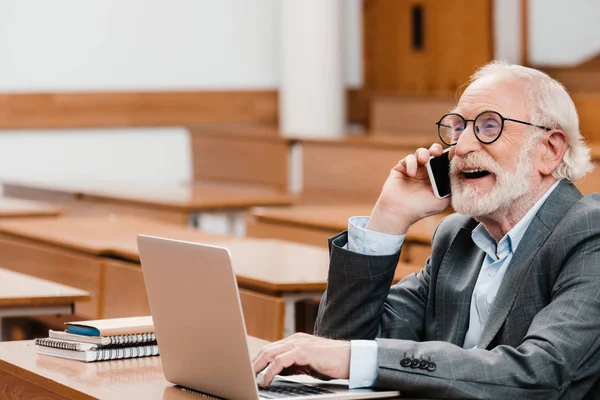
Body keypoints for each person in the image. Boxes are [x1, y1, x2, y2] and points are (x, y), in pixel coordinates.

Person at [252, 61, 600, 399]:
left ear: (549, 150)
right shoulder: (458, 237)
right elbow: (340, 341)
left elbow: (541, 374)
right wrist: (388, 217)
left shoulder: (588, 233)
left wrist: (353, 357)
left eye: (488, 126)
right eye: (458, 127)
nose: (460, 147)